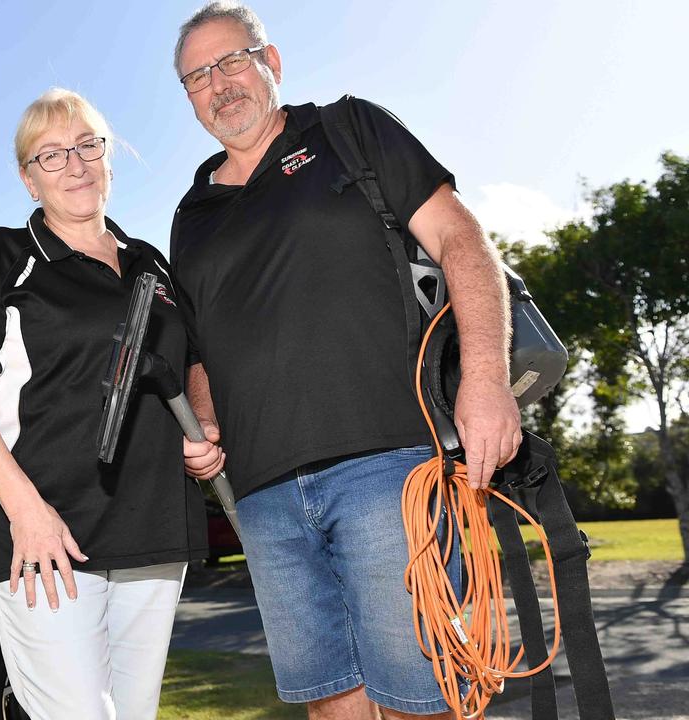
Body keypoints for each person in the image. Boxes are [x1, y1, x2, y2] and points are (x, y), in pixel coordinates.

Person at [170, 3, 522, 719]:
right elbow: (201, 349)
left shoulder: (347, 129)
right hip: (263, 498)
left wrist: (486, 380)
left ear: (270, 63)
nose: (219, 83)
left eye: (231, 60)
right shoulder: (192, 212)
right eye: (197, 76)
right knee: (330, 706)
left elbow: (461, 243)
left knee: (423, 702)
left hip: (386, 467)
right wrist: (203, 424)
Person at [0, 88, 207, 720]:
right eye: (51, 155)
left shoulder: (151, 266)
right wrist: (26, 513)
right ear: (29, 180)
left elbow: (189, 363)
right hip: (46, 533)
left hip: (153, 526)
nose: (75, 164)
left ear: (108, 158)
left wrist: (203, 423)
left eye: (87, 145)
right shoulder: (2, 257)